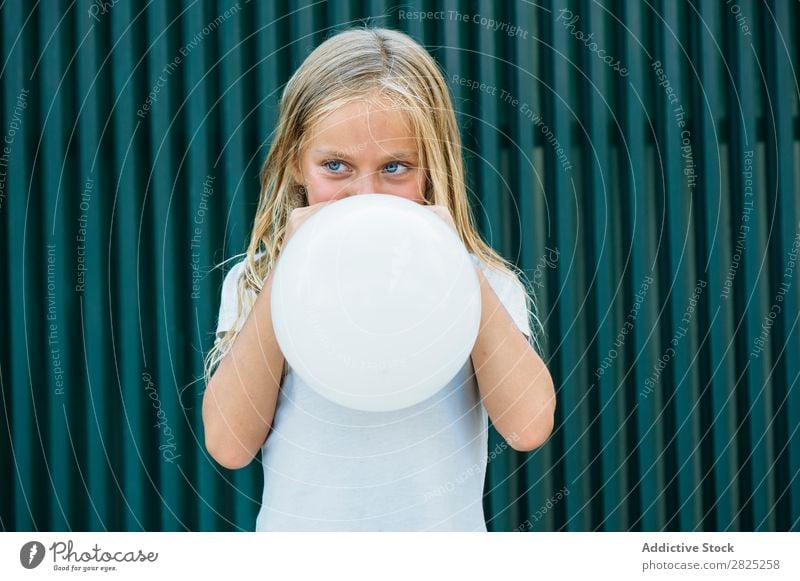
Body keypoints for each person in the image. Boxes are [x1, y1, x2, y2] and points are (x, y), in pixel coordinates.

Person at [201, 26, 556, 531]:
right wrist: (286, 270)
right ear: (296, 166)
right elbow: (229, 444)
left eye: (394, 167)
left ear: (433, 170)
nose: (365, 193)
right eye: (336, 166)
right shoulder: (256, 282)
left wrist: (456, 267)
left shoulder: (484, 283)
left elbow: (528, 427)